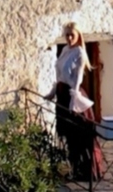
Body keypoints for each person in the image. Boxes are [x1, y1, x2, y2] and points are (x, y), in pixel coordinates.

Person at [43, 23, 103, 181]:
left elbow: (76, 80)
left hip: (72, 97)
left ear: (78, 36)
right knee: (69, 137)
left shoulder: (80, 53)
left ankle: (85, 171)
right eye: (67, 34)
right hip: (63, 95)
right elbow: (60, 75)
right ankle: (73, 169)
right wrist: (53, 92)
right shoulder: (64, 50)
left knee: (78, 136)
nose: (69, 38)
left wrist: (73, 103)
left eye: (72, 35)